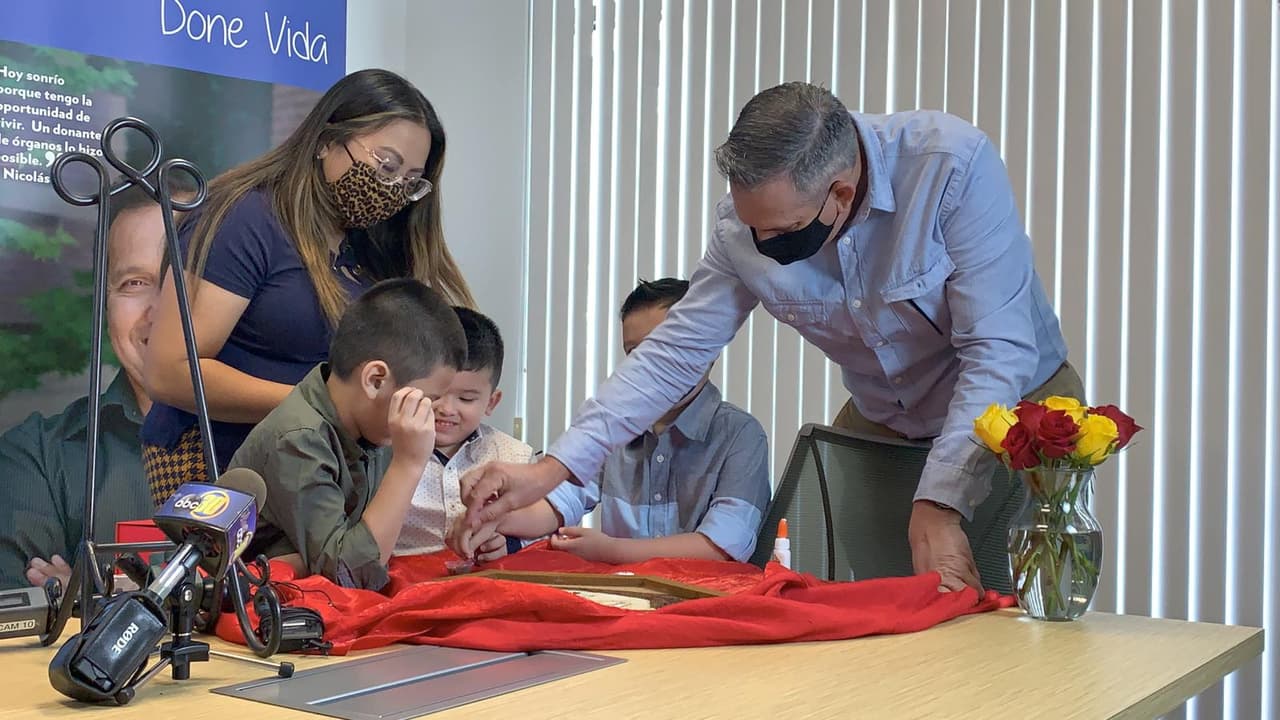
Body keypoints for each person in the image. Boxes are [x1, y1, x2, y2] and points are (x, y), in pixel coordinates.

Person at [462, 82, 1084, 592]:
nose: (763, 247)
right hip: (886, 417)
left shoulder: (950, 166)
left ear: (840, 194)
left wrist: (943, 501)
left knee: (1008, 600)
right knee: (871, 602)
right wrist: (555, 467)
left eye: (782, 233)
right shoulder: (744, 222)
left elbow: (996, 352)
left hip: (1018, 413)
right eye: (752, 226)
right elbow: (672, 355)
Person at [140, 68, 475, 503]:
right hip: (219, 467)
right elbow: (170, 372)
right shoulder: (247, 221)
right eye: (386, 165)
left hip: (315, 466)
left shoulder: (367, 248)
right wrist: (326, 405)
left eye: (410, 183)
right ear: (326, 141)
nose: (392, 190)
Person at [452, 279, 770, 565]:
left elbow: (722, 547)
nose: (652, 370)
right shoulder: (612, 428)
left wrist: (613, 552)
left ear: (706, 351)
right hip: (624, 600)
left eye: (665, 352)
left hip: (707, 606)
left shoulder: (740, 434)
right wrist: (491, 520)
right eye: (637, 356)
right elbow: (557, 504)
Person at [227, 279, 465, 590]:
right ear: (376, 380)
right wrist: (408, 466)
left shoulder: (374, 424)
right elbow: (347, 573)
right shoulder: (299, 438)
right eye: (426, 399)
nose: (431, 413)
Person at [0, 185, 171, 588]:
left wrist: (88, 598)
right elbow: (28, 626)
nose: (160, 308)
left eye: (182, 280)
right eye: (133, 283)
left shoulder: (275, 443)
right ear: (102, 303)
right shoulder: (37, 456)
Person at [394, 307, 534, 560]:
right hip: (403, 580)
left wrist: (510, 543)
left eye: (466, 398)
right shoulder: (383, 454)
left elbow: (542, 527)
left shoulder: (514, 458)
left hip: (486, 581)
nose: (446, 409)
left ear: (491, 402)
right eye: (434, 394)